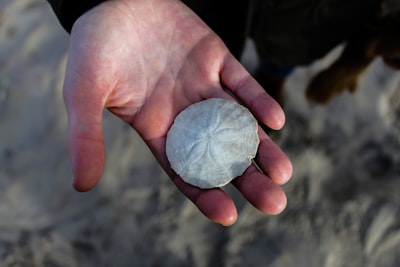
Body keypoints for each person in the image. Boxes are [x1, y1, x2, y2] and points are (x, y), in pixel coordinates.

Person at [46, 0, 376, 226]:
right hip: (194, 14)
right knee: (245, 55)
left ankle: (275, 73)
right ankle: (273, 74)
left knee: (284, 52)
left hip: (315, 15)